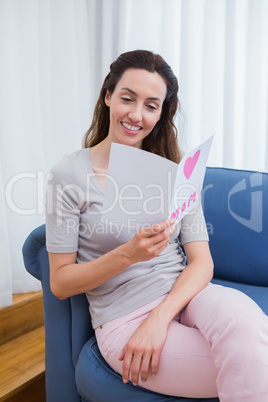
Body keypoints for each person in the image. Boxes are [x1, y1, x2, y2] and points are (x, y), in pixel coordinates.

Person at [46, 50, 268, 401]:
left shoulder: (175, 174)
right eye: (127, 99)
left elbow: (201, 262)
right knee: (255, 362)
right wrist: (128, 255)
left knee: (246, 322)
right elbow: (60, 282)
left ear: (162, 113)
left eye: (151, 105)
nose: (136, 115)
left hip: (186, 296)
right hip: (124, 317)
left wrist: (161, 317)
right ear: (108, 97)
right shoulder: (70, 174)